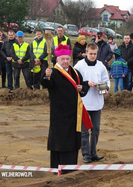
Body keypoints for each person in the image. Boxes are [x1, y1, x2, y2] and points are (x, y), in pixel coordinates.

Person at [40, 43, 91, 173]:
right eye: (63, 59)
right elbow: (46, 83)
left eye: (67, 59)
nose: (65, 61)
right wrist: (46, 75)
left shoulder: (75, 72)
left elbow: (83, 85)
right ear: (57, 60)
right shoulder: (54, 72)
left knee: (72, 142)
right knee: (60, 142)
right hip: (59, 114)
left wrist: (82, 88)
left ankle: (69, 169)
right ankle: (57, 168)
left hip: (74, 113)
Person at [74, 43, 110, 163]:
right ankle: (86, 154)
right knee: (84, 131)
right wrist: (86, 83)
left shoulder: (101, 66)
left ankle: (93, 152)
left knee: (96, 129)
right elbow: (75, 81)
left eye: (95, 54)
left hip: (97, 102)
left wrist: (104, 88)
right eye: (91, 54)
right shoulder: (79, 65)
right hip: (84, 102)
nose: (93, 56)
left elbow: (106, 81)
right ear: (86, 52)